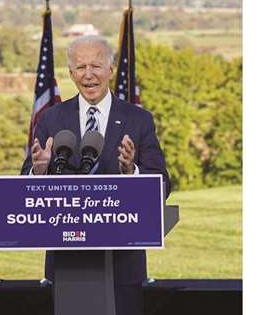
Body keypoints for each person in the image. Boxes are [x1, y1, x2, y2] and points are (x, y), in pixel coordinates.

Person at [21, 35, 171, 315]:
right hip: (66, 264)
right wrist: (37, 172)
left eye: (96, 66)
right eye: (80, 67)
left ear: (110, 70)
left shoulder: (138, 119)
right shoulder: (52, 119)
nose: (88, 75)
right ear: (70, 74)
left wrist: (132, 172)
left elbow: (162, 184)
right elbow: (24, 184)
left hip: (123, 266)